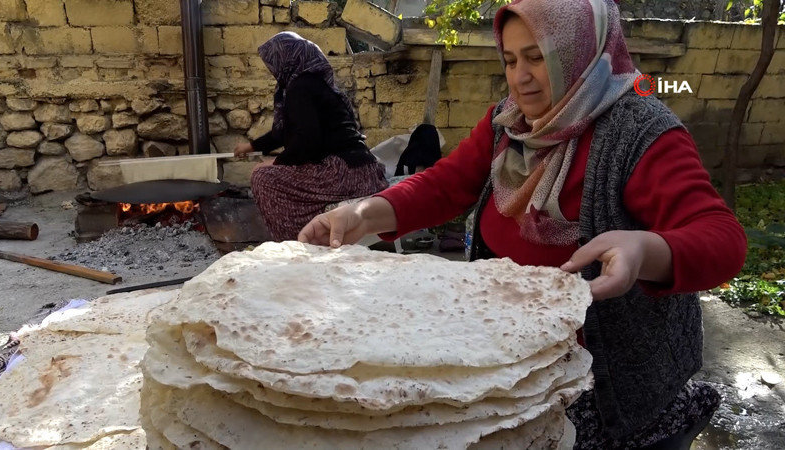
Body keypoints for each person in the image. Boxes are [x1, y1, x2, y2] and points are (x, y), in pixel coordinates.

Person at [298, 0, 747, 448]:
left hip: (608, 383)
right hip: (516, 355)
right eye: (511, 60)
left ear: (579, 53)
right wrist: (363, 213)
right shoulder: (511, 123)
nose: (520, 78)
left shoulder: (640, 132)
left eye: (537, 58)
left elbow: (722, 237)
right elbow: (445, 185)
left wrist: (645, 250)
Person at [234, 32, 388, 242]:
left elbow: (307, 141)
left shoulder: (300, 88)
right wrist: (251, 147)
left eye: (273, 61)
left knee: (263, 178)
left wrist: (276, 163)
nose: (272, 69)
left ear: (286, 59)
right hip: (366, 170)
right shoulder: (318, 84)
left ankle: (295, 243)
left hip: (344, 174)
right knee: (270, 171)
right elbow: (284, 132)